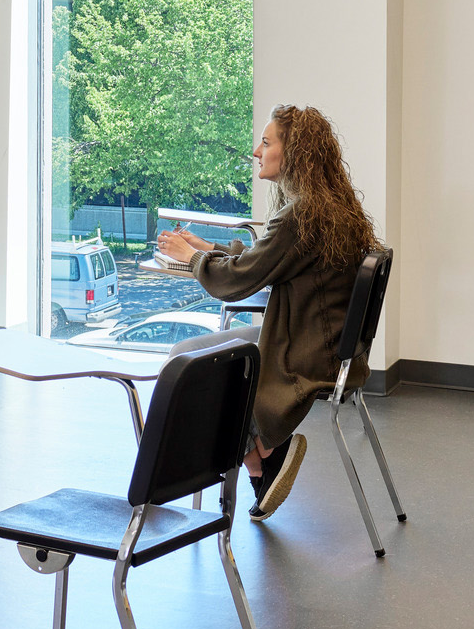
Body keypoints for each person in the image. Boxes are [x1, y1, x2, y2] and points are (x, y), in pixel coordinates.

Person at [156, 104, 383, 519]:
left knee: (186, 359)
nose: (256, 151)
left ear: (293, 152)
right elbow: (268, 261)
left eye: (266, 141)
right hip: (330, 349)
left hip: (301, 353)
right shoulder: (326, 208)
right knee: (192, 356)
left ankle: (246, 458)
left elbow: (239, 282)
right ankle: (259, 455)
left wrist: (191, 260)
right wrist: (208, 250)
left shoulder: (300, 216)